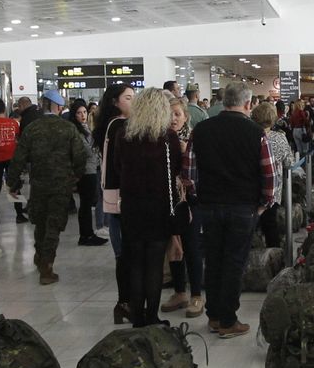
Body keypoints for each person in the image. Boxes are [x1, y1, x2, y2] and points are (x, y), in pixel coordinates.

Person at [186, 83, 275, 339]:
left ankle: (213, 315)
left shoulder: (201, 130)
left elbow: (190, 172)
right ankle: (228, 320)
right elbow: (269, 174)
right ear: (248, 104)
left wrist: (198, 197)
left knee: (213, 260)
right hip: (243, 207)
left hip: (209, 206)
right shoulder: (255, 132)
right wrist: (264, 204)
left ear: (224, 101)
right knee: (235, 263)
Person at [107, 90, 184, 326]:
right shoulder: (168, 138)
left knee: (135, 262)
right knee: (153, 264)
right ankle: (151, 316)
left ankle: (137, 317)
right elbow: (176, 170)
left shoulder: (123, 135)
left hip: (131, 206)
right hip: (160, 206)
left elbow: (117, 168)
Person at [7, 89, 85, 286]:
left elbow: (19, 158)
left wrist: (12, 182)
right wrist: (76, 176)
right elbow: (79, 156)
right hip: (61, 185)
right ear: (58, 107)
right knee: (54, 225)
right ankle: (47, 266)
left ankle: (39, 254)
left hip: (39, 184)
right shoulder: (68, 129)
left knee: (40, 221)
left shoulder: (32, 128)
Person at [94, 84, 137, 320]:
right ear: (115, 102)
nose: (133, 101)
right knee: (125, 252)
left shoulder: (108, 126)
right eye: (128, 98)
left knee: (123, 252)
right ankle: (126, 302)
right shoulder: (120, 126)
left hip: (113, 195)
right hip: (122, 195)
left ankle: (125, 302)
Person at [161, 96, 204, 319]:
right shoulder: (161, 139)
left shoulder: (193, 139)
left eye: (177, 114)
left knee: (192, 247)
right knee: (174, 247)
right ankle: (179, 291)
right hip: (168, 202)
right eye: (169, 114)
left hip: (190, 202)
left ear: (186, 116)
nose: (173, 119)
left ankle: (197, 294)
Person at [252, 100, 295, 248]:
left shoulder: (250, 136)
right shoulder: (279, 138)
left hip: (252, 188)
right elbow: (289, 162)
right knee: (270, 226)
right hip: (273, 189)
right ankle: (274, 259)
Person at [69, 101, 107, 246]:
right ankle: (86, 235)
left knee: (87, 202)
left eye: (84, 112)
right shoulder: (76, 131)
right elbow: (86, 150)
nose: (83, 115)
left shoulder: (86, 128)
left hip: (92, 168)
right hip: (86, 170)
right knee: (85, 204)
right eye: (79, 113)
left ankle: (88, 233)